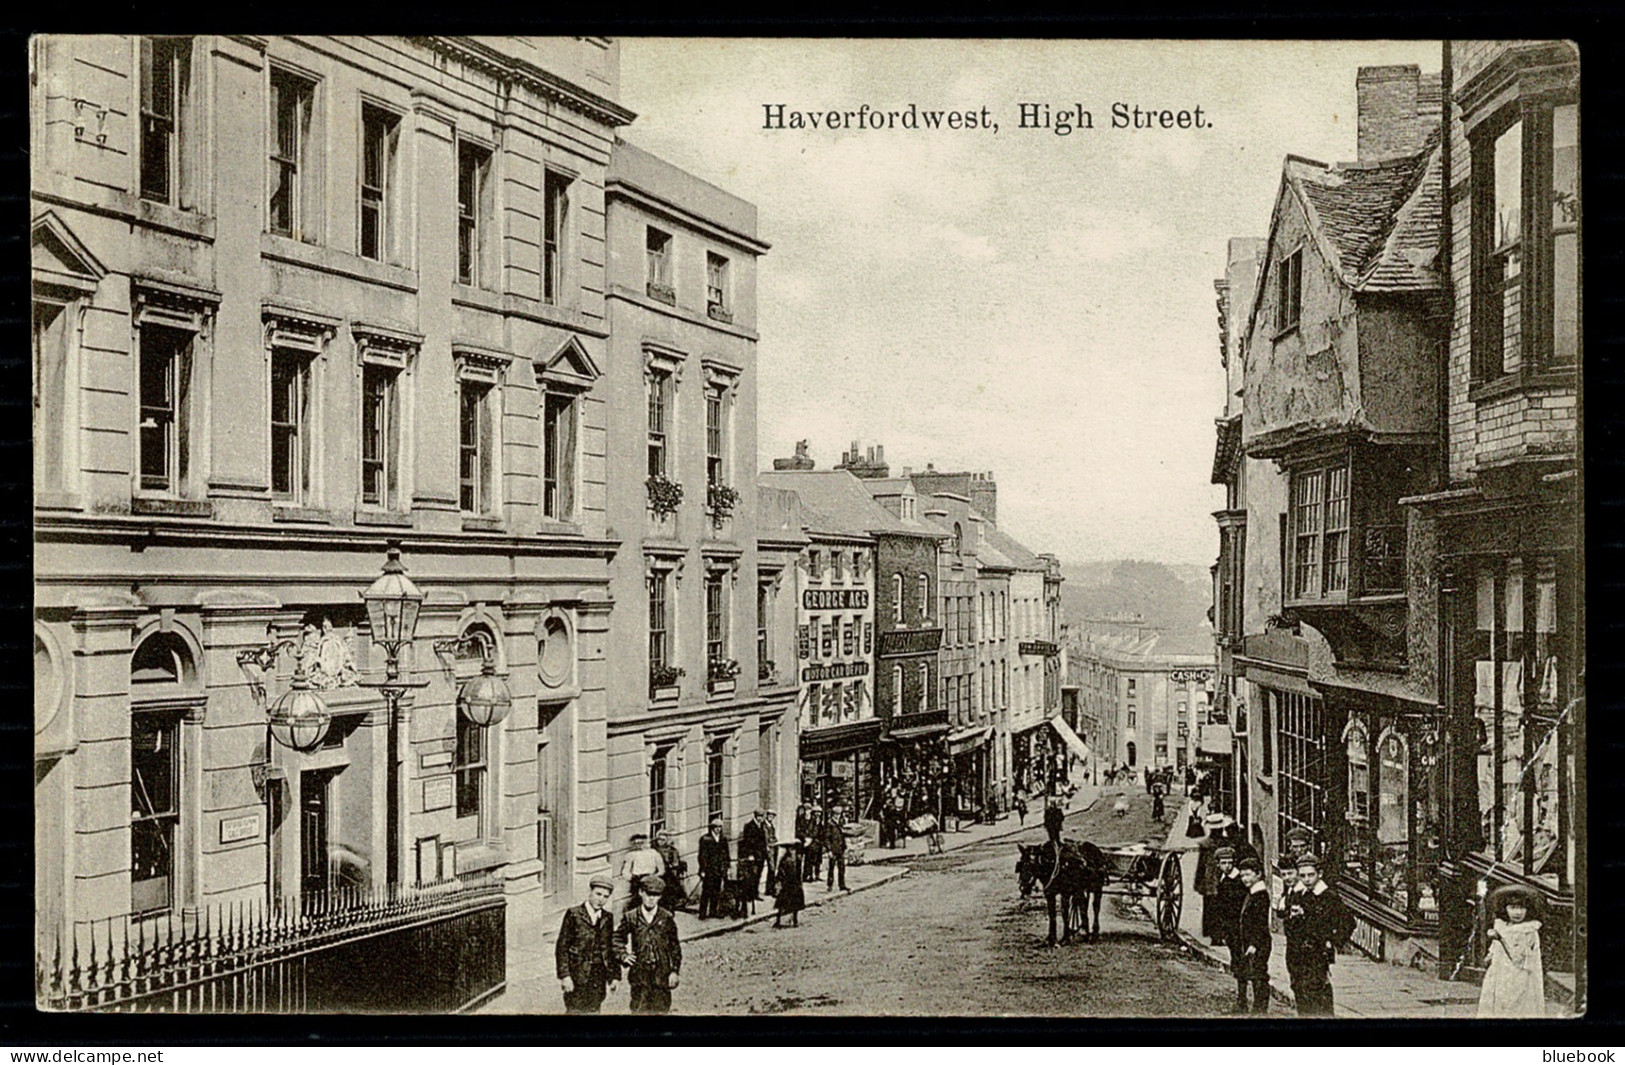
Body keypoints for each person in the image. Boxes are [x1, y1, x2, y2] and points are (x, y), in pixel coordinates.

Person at [1281, 852, 1354, 1017]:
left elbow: (1348, 923)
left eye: (1310, 875)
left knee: (1318, 996)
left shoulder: (1328, 897)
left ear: (1319, 874)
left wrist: (1332, 941)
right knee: (1301, 994)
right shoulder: (1299, 895)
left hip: (1317, 955)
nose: (1306, 879)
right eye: (1303, 875)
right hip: (1296, 955)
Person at [616, 875, 681, 1014]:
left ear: (660, 896)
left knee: (661, 1010)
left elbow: (674, 946)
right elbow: (617, 938)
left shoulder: (666, 917)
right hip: (640, 975)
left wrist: (674, 971)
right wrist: (623, 955)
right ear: (641, 892)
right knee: (639, 1010)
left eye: (656, 895)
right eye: (648, 894)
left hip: (661, 975)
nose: (651, 899)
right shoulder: (631, 917)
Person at [1478, 886, 1546, 1018]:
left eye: (1521, 908)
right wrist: (1490, 954)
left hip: (1520, 974)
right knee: (1498, 1002)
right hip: (1500, 972)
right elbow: (1495, 948)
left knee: (1516, 1004)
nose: (1517, 912)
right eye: (1513, 908)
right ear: (1505, 909)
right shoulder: (1502, 926)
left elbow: (1518, 957)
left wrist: (1500, 938)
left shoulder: (1529, 930)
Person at [555, 873, 619, 1013]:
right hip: (577, 974)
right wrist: (565, 976)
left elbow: (610, 948)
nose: (601, 899)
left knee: (594, 1009)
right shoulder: (574, 914)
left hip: (598, 975)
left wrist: (614, 976)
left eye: (605, 896)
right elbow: (562, 947)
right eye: (598, 894)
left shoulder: (608, 918)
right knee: (575, 1010)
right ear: (589, 892)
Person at [1232, 857, 1272, 1013]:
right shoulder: (1252, 893)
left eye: (1248, 875)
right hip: (1251, 943)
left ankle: (1260, 1011)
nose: (1245, 879)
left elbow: (1260, 924)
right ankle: (1258, 1010)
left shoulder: (1260, 895)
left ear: (1258, 875)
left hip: (1258, 944)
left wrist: (1254, 944)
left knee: (1259, 976)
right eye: (1242, 876)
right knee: (1254, 974)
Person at [697, 817, 730, 919]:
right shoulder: (705, 839)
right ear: (712, 828)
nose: (718, 829)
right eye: (716, 827)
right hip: (709, 869)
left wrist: (726, 867)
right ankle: (702, 913)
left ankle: (713, 911)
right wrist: (703, 870)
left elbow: (726, 854)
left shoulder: (723, 839)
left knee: (716, 891)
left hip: (719, 869)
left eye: (720, 827)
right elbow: (702, 856)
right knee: (706, 891)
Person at [618, 832, 665, 904]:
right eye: (637, 843)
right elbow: (626, 870)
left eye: (641, 843)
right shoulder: (631, 855)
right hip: (638, 879)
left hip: (651, 877)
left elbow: (661, 868)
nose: (639, 845)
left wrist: (655, 876)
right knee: (638, 897)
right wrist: (631, 878)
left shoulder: (653, 853)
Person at [652, 829, 687, 913]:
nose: (660, 842)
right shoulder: (654, 849)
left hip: (668, 875)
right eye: (659, 839)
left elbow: (675, 863)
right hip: (657, 874)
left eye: (663, 840)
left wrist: (672, 867)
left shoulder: (672, 850)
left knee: (669, 893)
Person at [739, 809, 771, 904]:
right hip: (753, 855)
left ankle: (755, 893)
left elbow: (763, 840)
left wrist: (766, 849)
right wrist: (750, 854)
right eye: (759, 816)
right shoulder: (749, 826)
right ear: (756, 816)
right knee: (752, 875)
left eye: (762, 816)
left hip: (761, 855)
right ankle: (749, 895)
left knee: (758, 875)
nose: (761, 818)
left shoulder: (761, 826)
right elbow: (747, 842)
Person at [773, 841, 805, 928]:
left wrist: (799, 882)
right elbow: (781, 873)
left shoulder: (797, 859)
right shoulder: (785, 860)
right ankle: (778, 920)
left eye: (793, 849)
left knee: (795, 903)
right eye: (790, 849)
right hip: (787, 884)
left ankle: (794, 920)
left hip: (794, 883)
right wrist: (779, 882)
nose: (792, 851)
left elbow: (799, 872)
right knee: (782, 903)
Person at [822, 804, 849, 891]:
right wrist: (829, 850)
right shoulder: (830, 824)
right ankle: (830, 885)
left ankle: (842, 885)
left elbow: (842, 836)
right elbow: (826, 838)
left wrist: (845, 846)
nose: (837, 816)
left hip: (840, 848)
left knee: (842, 868)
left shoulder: (840, 823)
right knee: (831, 868)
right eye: (836, 814)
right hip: (833, 849)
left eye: (839, 814)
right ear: (833, 815)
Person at [802, 807, 824, 882]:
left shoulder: (820, 822)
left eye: (819, 813)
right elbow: (811, 832)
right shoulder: (811, 821)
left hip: (818, 843)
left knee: (818, 861)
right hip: (812, 843)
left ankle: (817, 875)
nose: (818, 814)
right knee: (810, 860)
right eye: (816, 813)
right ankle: (809, 876)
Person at [761, 810, 779, 896]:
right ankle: (771, 889)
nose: (771, 817)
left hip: (774, 847)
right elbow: (765, 838)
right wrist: (768, 846)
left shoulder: (771, 825)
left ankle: (769, 889)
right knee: (772, 868)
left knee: (772, 869)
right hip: (768, 849)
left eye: (773, 816)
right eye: (770, 815)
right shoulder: (764, 826)